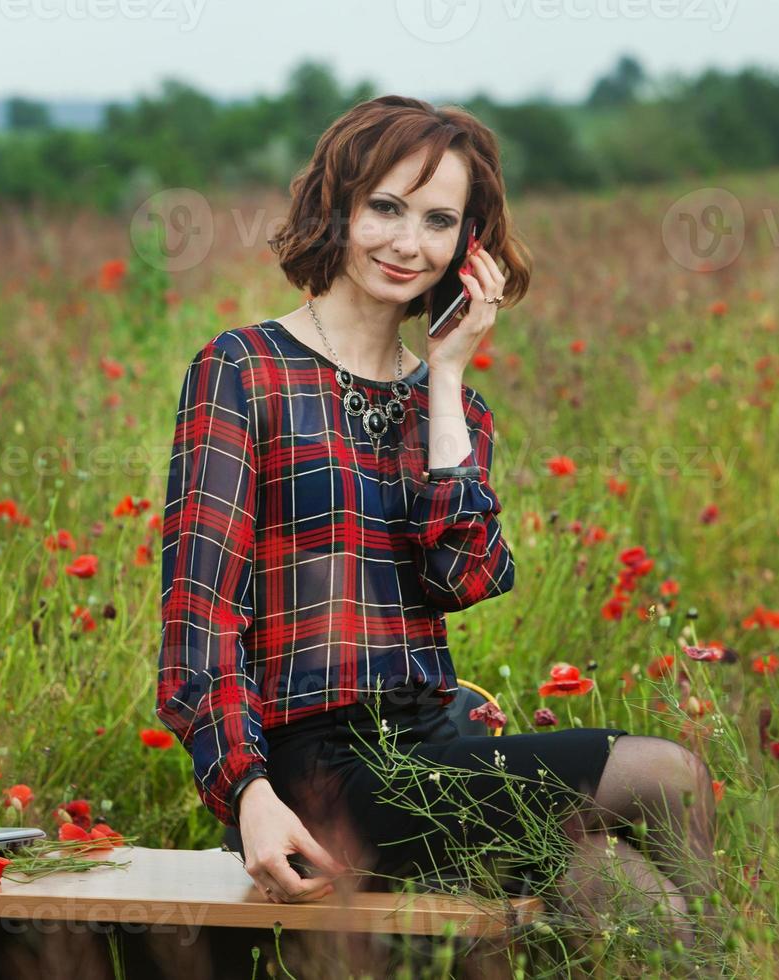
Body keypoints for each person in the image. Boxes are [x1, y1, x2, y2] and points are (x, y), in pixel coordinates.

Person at [154, 95, 719, 950]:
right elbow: (199, 619)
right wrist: (246, 792)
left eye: (438, 219)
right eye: (384, 206)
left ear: (469, 246)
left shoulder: (453, 408)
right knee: (668, 774)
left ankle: (717, 956)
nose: (406, 242)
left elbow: (464, 575)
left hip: (431, 742)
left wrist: (448, 379)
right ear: (338, 208)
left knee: (632, 897)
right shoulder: (244, 370)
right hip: (312, 773)